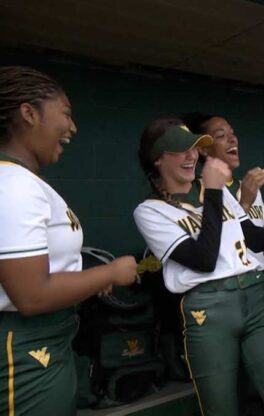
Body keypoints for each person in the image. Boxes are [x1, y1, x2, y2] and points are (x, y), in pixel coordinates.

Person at [134, 118, 264, 415]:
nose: (191, 156)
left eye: (193, 148)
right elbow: (204, 259)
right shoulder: (149, 210)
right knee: (221, 408)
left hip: (255, 298)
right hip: (208, 309)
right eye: (180, 149)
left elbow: (255, 239)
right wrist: (213, 191)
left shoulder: (217, 191)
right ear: (158, 158)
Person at [0, 66, 137, 415]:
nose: (73, 127)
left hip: (45, 340)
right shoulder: (13, 184)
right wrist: (110, 273)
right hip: (25, 348)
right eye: (66, 114)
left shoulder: (24, 181)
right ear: (29, 113)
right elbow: (31, 295)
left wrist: (85, 282)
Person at [182, 112, 264, 348]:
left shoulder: (248, 186)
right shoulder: (201, 191)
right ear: (204, 150)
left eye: (232, 133)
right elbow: (214, 248)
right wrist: (245, 203)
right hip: (231, 289)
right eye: (221, 136)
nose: (232, 140)